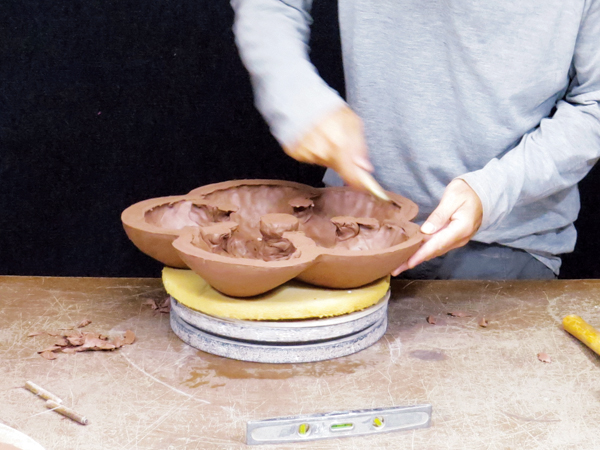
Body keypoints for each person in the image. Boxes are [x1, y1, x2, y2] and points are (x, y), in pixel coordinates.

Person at [230, 0, 600, 279]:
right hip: (348, 229)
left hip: (509, 243)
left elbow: (594, 102)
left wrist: (493, 191)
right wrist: (295, 94)